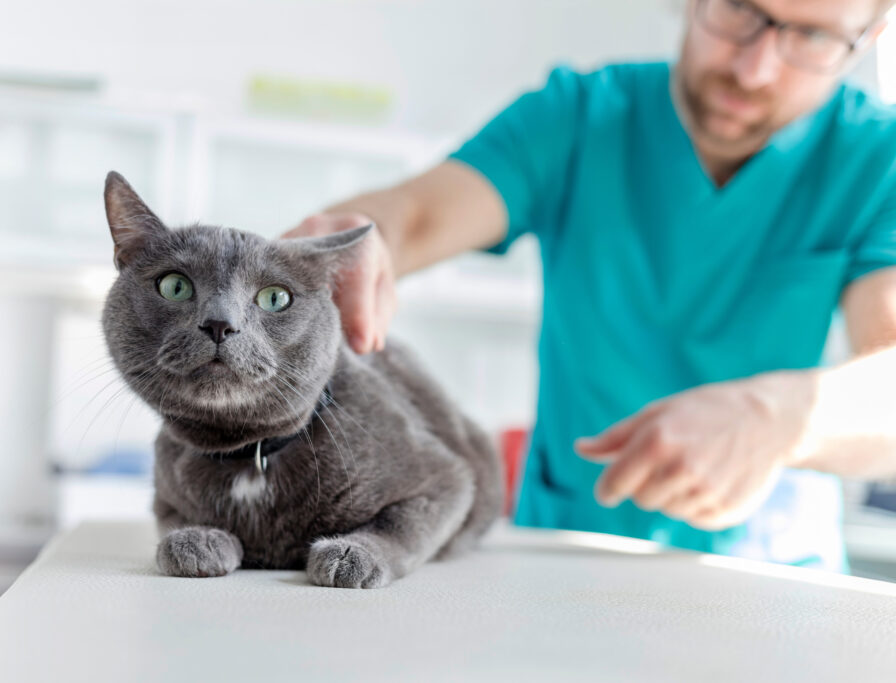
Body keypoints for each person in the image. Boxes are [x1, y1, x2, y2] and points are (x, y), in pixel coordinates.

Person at [284, 0, 896, 572]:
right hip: (568, 551)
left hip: (774, 571)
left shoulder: (877, 160)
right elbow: (414, 216)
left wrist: (780, 417)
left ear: (870, 37)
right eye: (738, 7)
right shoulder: (579, 116)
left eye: (813, 36)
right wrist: (359, 236)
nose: (755, 69)